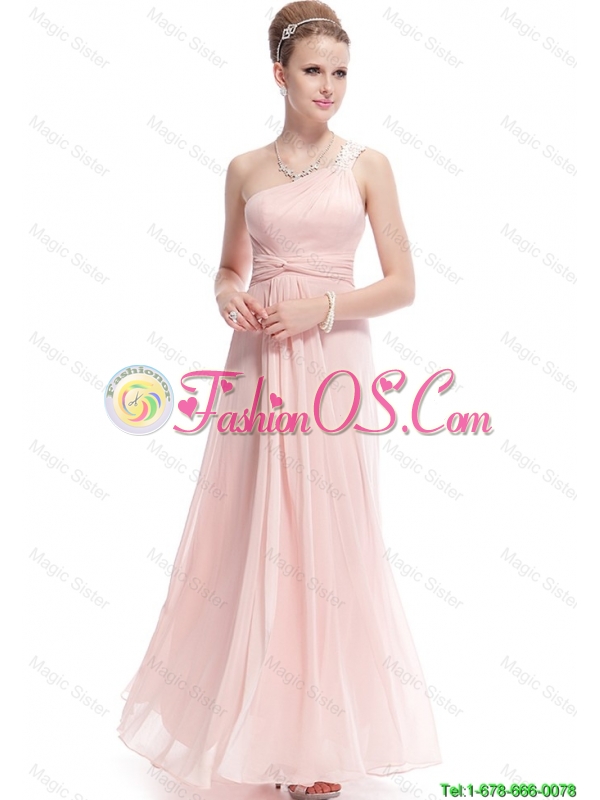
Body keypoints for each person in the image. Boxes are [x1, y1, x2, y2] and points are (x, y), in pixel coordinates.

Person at [117, 2, 442, 797]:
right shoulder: (245, 169)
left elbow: (403, 285)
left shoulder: (370, 165)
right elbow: (229, 267)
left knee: (325, 534)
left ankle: (317, 746)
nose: (329, 86)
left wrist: (320, 309)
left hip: (334, 364)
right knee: (254, 529)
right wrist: (227, 294)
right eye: (313, 70)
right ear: (279, 74)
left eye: (341, 72)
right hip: (257, 362)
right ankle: (249, 728)